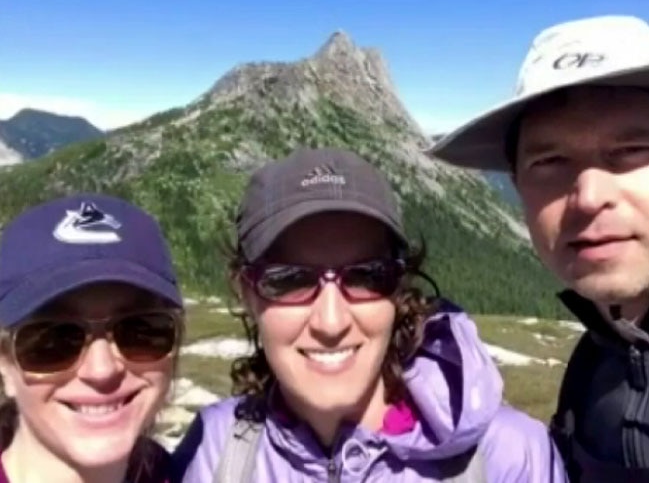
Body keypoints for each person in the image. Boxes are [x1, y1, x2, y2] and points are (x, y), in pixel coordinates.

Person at [429, 14, 649, 483]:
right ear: (520, 186)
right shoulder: (594, 363)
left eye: (632, 150)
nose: (588, 196)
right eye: (550, 161)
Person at [171, 147, 567, 482]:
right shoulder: (215, 452)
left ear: (398, 289)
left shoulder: (507, 458)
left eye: (367, 276)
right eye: (289, 280)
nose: (331, 322)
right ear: (247, 294)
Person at [0, 193, 185, 483]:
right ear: (5, 365)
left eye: (140, 331)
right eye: (54, 341)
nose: (102, 371)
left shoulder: (179, 472)